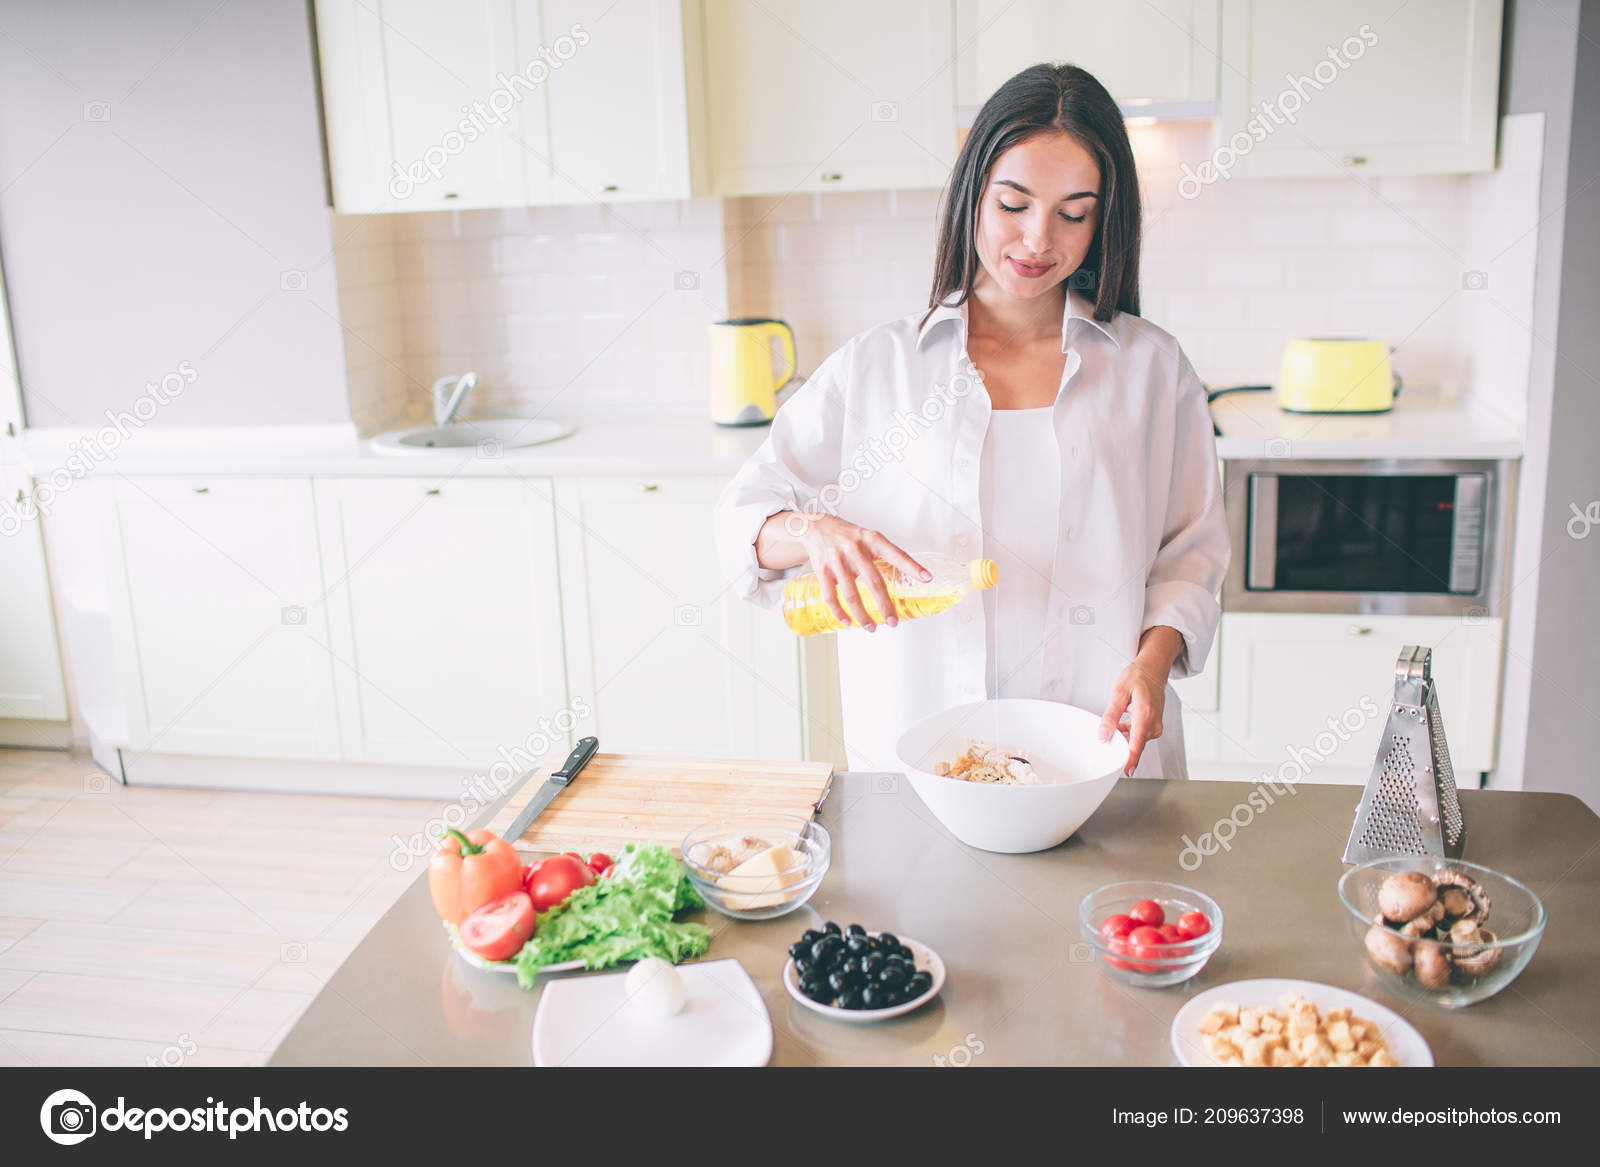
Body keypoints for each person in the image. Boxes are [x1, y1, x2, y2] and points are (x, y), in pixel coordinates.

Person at [713, 63, 1229, 780]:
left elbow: (1191, 558)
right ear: (972, 197)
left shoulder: (1153, 369)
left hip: (1105, 759)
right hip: (923, 763)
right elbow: (741, 519)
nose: (1037, 239)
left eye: (1073, 213)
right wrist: (814, 531)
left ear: (1103, 218)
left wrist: (1152, 662)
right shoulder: (878, 367)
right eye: (1013, 203)